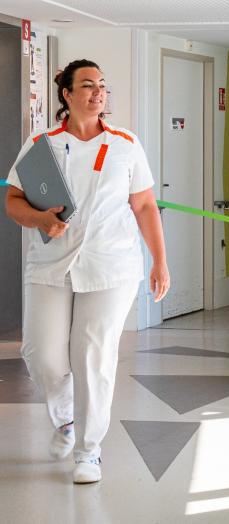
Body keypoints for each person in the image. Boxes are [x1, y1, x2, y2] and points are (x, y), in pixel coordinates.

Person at [4, 59, 170, 484]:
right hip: (50, 263)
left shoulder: (125, 144)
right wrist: (40, 220)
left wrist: (160, 260)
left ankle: (89, 451)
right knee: (42, 355)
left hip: (110, 264)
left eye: (102, 85)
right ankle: (65, 420)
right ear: (67, 94)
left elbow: (145, 205)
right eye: (88, 85)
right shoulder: (41, 143)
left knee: (92, 355)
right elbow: (13, 201)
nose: (99, 93)